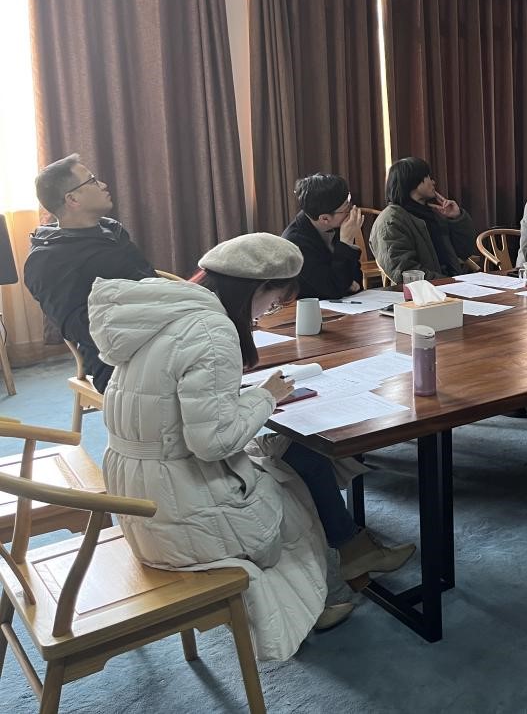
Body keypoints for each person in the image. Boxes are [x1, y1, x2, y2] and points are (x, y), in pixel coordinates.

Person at [87, 233, 415, 659]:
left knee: (293, 453)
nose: (268, 313)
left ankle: (348, 561)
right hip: (178, 511)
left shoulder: (164, 312)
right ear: (257, 289)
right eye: (274, 302)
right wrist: (266, 397)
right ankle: (321, 595)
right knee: (296, 486)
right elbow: (213, 442)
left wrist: (248, 398)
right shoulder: (212, 331)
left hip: (137, 496)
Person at [24, 154, 154, 392]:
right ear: (72, 199)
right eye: (93, 181)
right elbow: (80, 326)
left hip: (156, 324)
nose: (103, 185)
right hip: (113, 357)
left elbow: (149, 279)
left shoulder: (112, 230)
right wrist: (146, 320)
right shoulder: (46, 260)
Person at [369, 157, 478, 281]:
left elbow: (465, 251)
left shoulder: (433, 214)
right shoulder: (390, 221)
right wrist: (448, 283)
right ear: (413, 181)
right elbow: (405, 272)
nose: (433, 182)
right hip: (427, 290)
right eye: (428, 177)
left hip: (451, 284)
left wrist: (457, 218)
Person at [281, 173, 363, 299]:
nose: (351, 211)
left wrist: (345, 283)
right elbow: (334, 289)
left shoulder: (335, 225)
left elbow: (356, 281)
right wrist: (346, 242)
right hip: (308, 307)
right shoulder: (295, 243)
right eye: (346, 209)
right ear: (324, 218)